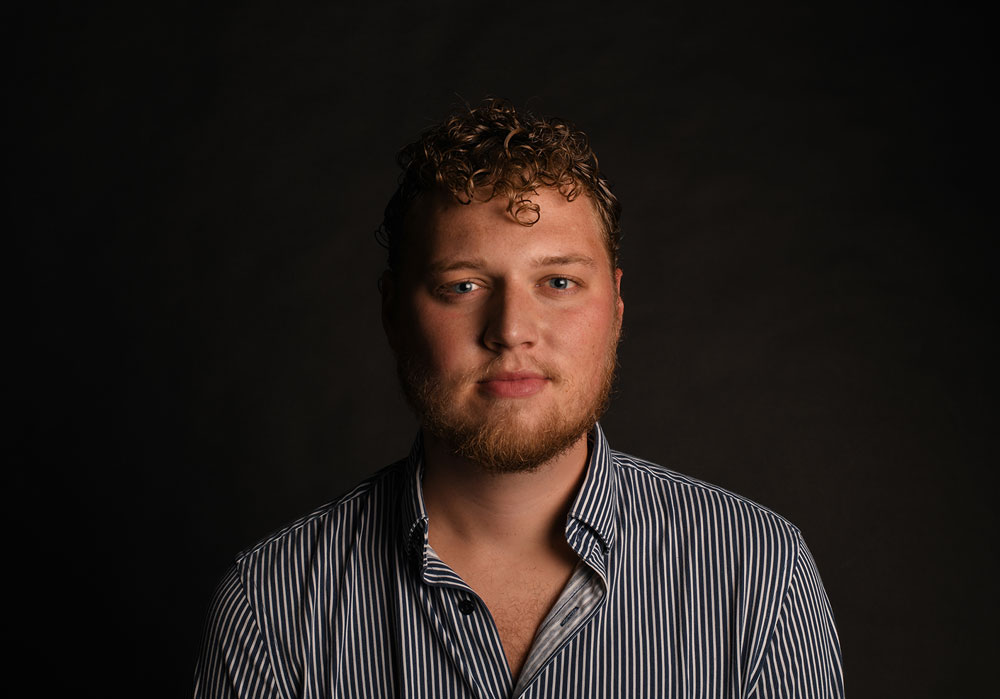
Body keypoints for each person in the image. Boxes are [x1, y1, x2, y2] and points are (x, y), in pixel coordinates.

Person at [194, 99, 844, 698]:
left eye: (558, 281)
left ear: (616, 306)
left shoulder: (759, 574)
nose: (511, 329)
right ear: (394, 312)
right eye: (463, 285)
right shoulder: (271, 607)